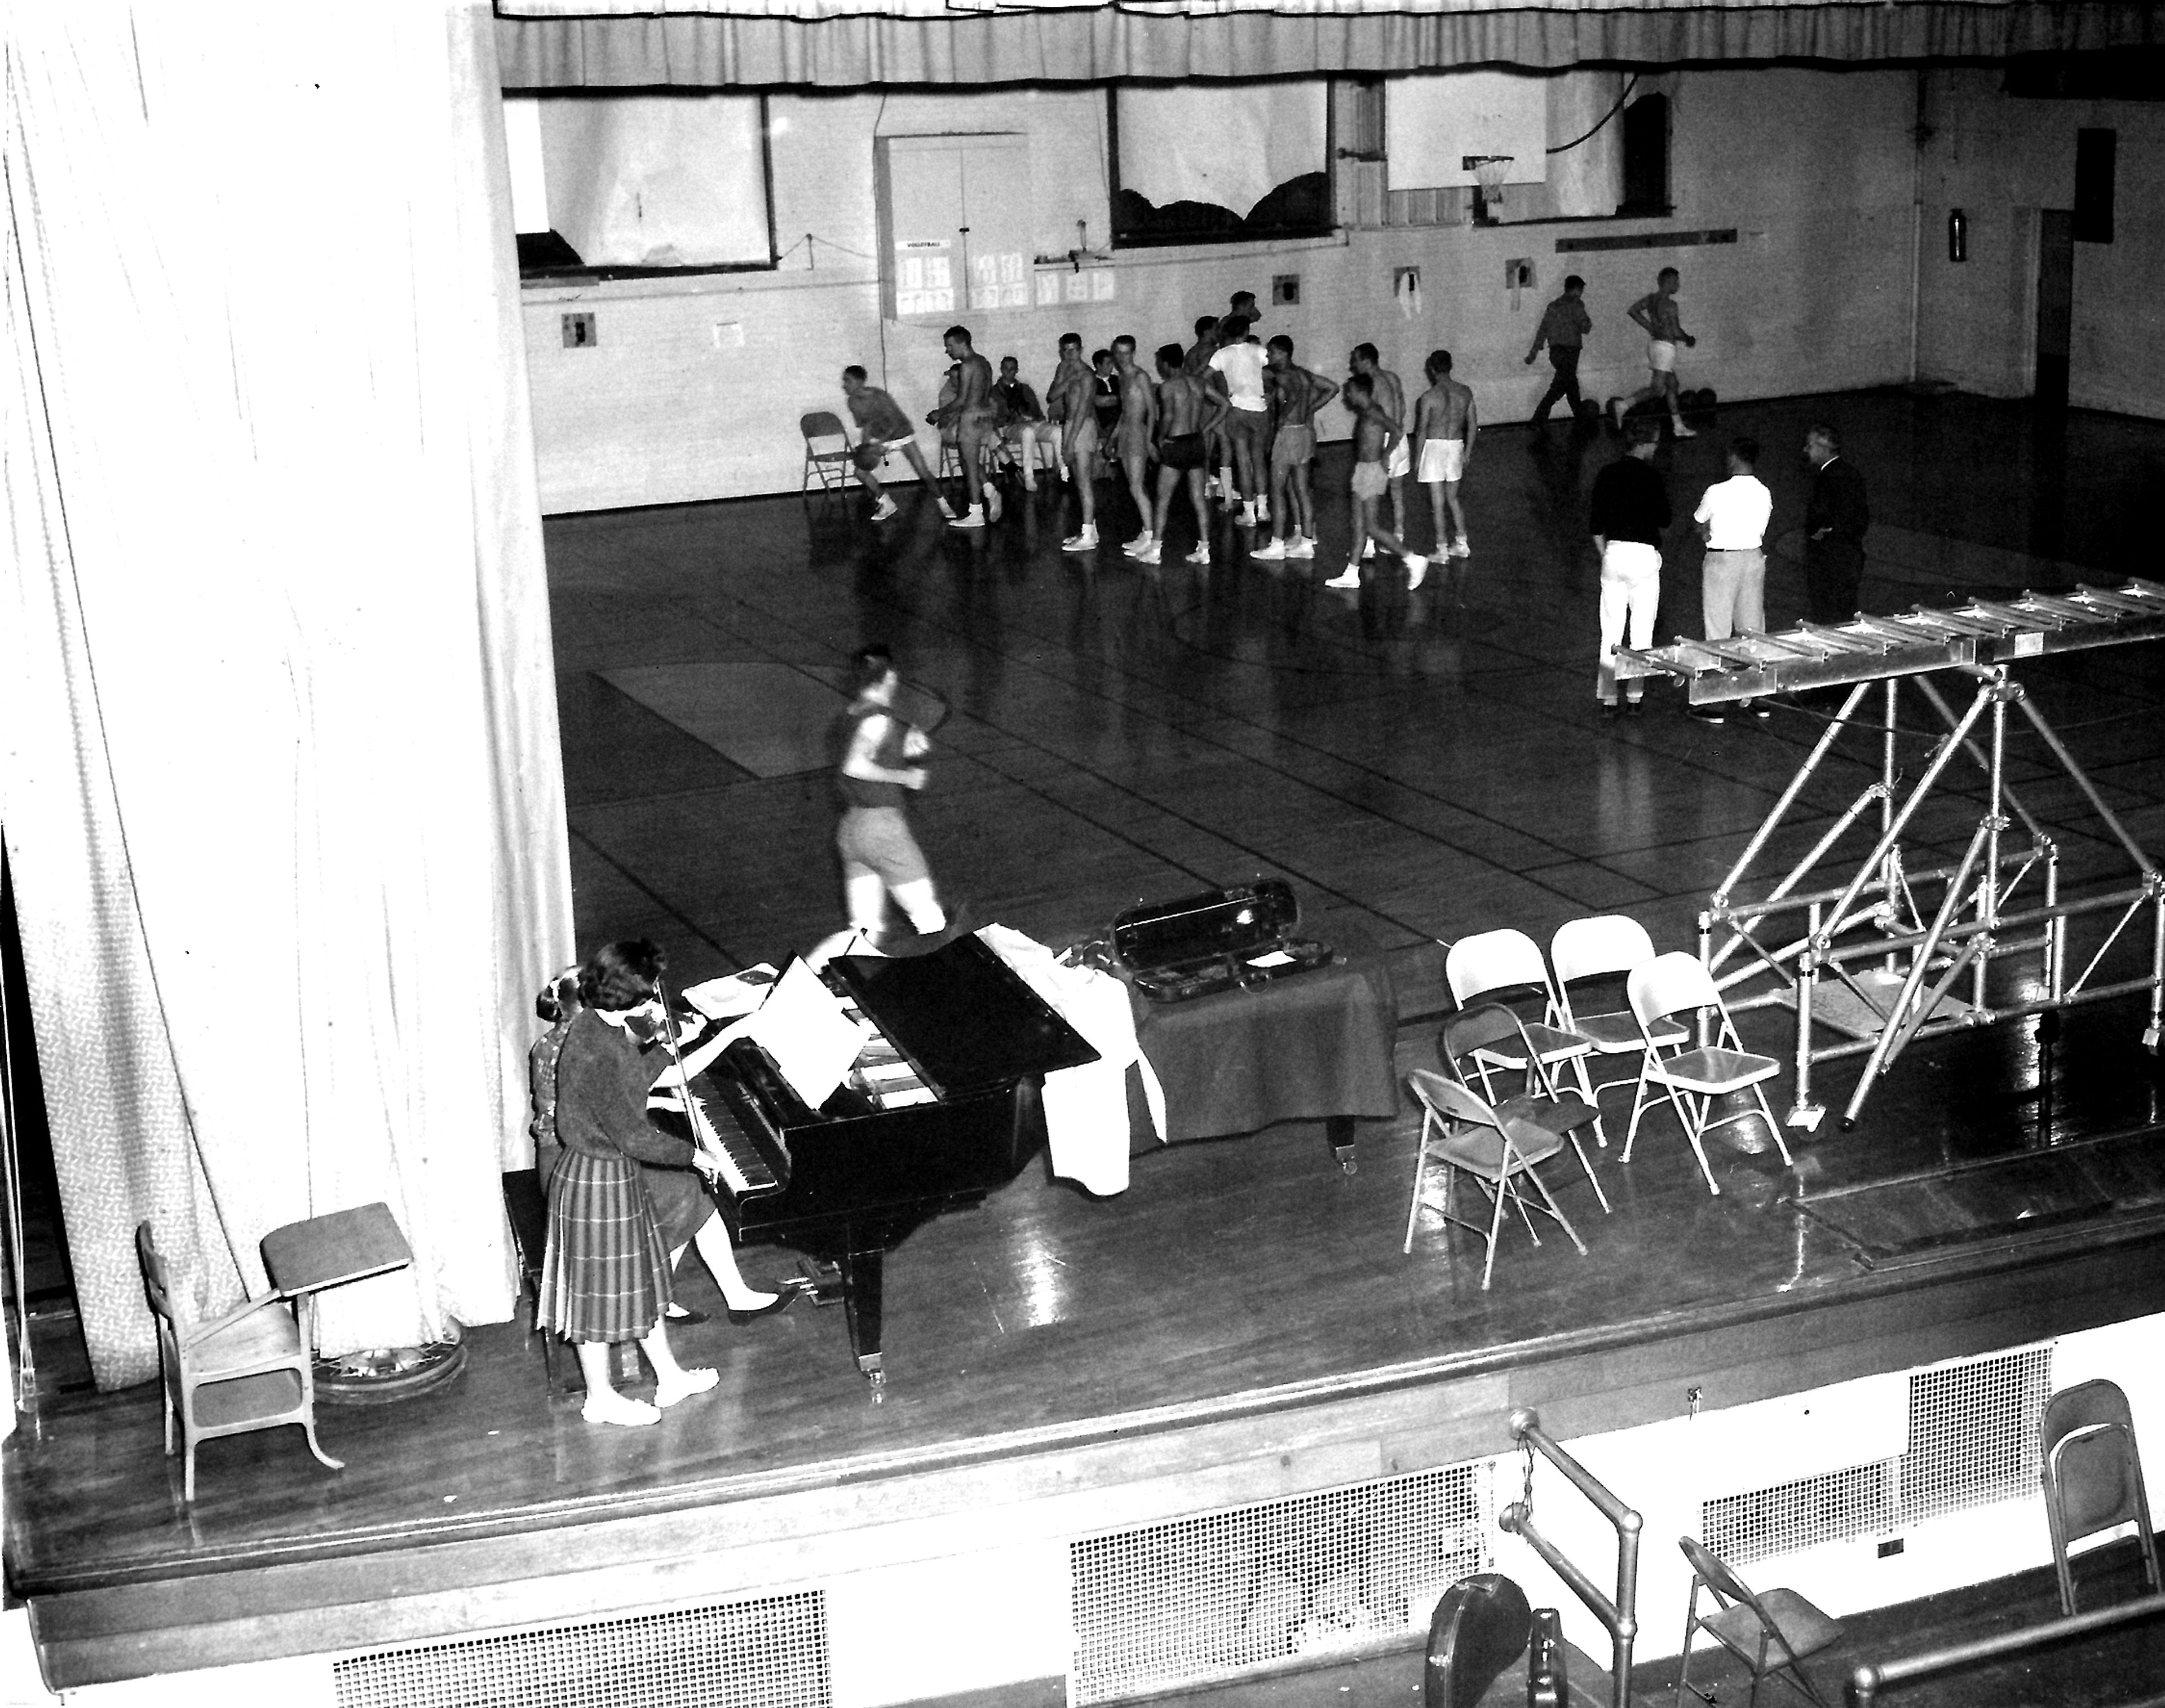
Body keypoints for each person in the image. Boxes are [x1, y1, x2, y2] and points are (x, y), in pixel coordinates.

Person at [531, 960, 783, 1335]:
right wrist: (729, 1034)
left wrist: (659, 1098)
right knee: (693, 1193)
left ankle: (661, 1294)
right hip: (582, 1171)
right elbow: (666, 1079)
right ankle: (733, 1297)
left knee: (681, 1195)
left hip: (560, 1159)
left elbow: (602, 1101)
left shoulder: (555, 1041)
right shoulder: (594, 1047)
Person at [540, 939, 730, 1428]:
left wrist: (664, 1051)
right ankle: (599, 1397)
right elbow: (634, 1134)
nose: (654, 1004)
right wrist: (694, 1155)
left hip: (613, 1174)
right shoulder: (595, 1051)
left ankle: (669, 1377)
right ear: (627, 1000)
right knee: (598, 1296)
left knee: (639, 1282)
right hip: (595, 1180)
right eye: (648, 997)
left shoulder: (596, 1025)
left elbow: (631, 1079)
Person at [825, 644, 952, 957]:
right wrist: (905, 777)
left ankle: (840, 986)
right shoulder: (878, 719)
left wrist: (901, 750)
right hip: (883, 830)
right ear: (891, 677)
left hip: (852, 829)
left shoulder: (849, 717)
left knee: (864, 931)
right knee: (930, 919)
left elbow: (858, 757)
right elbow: (856, 764)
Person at [1589, 417, 1672, 720]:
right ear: (1648, 442)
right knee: (1641, 633)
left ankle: (1609, 699)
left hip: (1614, 554)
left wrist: (1605, 555)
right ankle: (1635, 697)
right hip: (1644, 556)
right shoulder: (1652, 476)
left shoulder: (1607, 473)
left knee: (1610, 631)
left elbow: (1595, 525)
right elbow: (1665, 519)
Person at [1690, 436, 1774, 723]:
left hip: (1722, 560)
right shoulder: (1764, 492)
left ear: (1736, 458)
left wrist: (1704, 534)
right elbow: (1762, 528)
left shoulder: (1716, 491)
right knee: (1753, 628)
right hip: (1753, 559)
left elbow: (1700, 522)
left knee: (1718, 628)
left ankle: (1717, 702)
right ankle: (1757, 696)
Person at [1323, 375, 1428, 591]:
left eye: (1350, 391)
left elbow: (1398, 431)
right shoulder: (1366, 413)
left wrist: (1386, 456)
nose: (1348, 395)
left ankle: (1413, 559)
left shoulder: (1374, 412)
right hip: (1363, 470)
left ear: (1361, 391)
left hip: (1371, 472)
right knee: (1359, 525)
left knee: (1371, 526)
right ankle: (1352, 573)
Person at [1252, 336, 1337, 562]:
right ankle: (1307, 542)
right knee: (1301, 489)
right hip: (1304, 433)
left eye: (1271, 352)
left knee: (1277, 489)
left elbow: (1293, 396)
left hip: (1288, 434)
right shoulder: (1303, 374)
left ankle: (1277, 543)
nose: (1268, 357)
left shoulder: (1285, 376)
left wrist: (1282, 417)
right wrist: (1308, 409)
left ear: (1283, 353)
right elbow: (1332, 388)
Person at [1138, 342, 1225, 566]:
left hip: (1176, 444)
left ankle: (1155, 550)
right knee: (1198, 498)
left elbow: (1167, 416)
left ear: (1166, 364)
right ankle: (1204, 549)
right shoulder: (1198, 382)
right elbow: (1225, 404)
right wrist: (1205, 429)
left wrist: (1159, 438)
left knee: (1163, 498)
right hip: (1196, 442)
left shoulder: (1168, 387)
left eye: (1159, 363)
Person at [840, 367, 952, 523]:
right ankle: (886, 503)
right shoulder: (852, 402)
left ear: (860, 382)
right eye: (844, 380)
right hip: (879, 437)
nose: (844, 385)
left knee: (923, 471)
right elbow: (866, 426)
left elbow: (895, 424)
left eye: (848, 381)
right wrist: (867, 447)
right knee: (861, 472)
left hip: (901, 433)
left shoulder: (880, 397)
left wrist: (881, 443)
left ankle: (943, 504)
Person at [1609, 268, 1698, 439]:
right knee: (1657, 389)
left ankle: (1678, 426)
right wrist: (1688, 339)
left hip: (1656, 345)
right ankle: (1623, 405)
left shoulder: (1651, 299)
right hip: (1665, 348)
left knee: (1672, 385)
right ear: (1668, 281)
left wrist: (1651, 328)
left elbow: (1633, 310)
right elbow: (1676, 331)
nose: (1678, 285)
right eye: (1676, 281)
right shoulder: (1671, 305)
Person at [1411, 350, 1478, 560]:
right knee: (1453, 498)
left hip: (1434, 446)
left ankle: (1441, 550)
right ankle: (1462, 543)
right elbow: (1473, 424)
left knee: (1437, 502)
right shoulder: (1465, 392)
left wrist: (1418, 457)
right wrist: (1467, 452)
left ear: (1431, 369)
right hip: (1456, 444)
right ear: (1451, 366)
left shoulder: (1428, 397)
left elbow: (1422, 430)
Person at [1803, 422, 1870, 624]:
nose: (1806, 450)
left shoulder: (1828, 477)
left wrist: (1820, 533)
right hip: (1850, 556)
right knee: (1845, 609)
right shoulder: (1851, 472)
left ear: (1824, 448)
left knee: (1828, 612)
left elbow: (1820, 514)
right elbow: (1861, 516)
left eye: (1810, 445)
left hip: (1830, 560)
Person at [934, 325, 1001, 528]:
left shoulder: (967, 366)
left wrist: (940, 413)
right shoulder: (984, 362)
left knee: (970, 467)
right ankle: (990, 493)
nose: (948, 350)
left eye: (950, 346)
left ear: (963, 343)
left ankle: (976, 512)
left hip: (971, 418)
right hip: (983, 417)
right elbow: (986, 393)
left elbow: (962, 400)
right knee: (968, 461)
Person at [1207, 314, 1270, 527]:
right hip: (1259, 408)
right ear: (1246, 331)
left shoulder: (1222, 354)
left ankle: (1248, 512)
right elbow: (1271, 371)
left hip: (1237, 408)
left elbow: (1203, 377)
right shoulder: (1258, 350)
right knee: (1259, 460)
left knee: (1243, 461)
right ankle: (1263, 509)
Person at [1349, 345, 1409, 545]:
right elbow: (1402, 407)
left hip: (1385, 441)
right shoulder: (1392, 377)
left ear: (1367, 361)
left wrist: (1385, 450)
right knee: (1396, 493)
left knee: (1370, 495)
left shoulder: (1371, 384)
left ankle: (1368, 546)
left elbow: (1376, 417)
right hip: (1402, 441)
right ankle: (1398, 535)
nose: (1353, 365)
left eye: (1356, 360)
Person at [1049, 334, 1101, 551]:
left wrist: (1069, 443)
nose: (1070, 354)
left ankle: (1088, 534)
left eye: (1074, 350)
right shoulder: (1064, 369)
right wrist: (1067, 379)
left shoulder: (1088, 375)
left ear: (1081, 349)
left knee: (1084, 481)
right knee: (1079, 482)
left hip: (1083, 426)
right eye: (1066, 350)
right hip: (1070, 424)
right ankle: (1090, 530)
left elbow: (1082, 411)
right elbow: (1052, 395)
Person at [1110, 336, 1158, 557]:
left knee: (1137, 486)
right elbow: (1124, 412)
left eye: (1126, 353)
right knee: (1133, 485)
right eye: (1118, 353)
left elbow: (1152, 411)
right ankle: (1146, 532)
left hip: (1139, 432)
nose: (1121, 357)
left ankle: (1151, 536)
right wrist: (1113, 437)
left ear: (1133, 352)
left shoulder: (1141, 377)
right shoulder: (1122, 377)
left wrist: (1149, 442)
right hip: (1127, 433)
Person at [1525, 275, 1593, 426]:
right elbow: (1586, 327)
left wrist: (1533, 353)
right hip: (1571, 352)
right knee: (1561, 387)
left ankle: (1580, 418)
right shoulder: (1576, 305)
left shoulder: (1553, 306)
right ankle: (1538, 420)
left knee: (1569, 384)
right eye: (1581, 290)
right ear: (1576, 290)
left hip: (1556, 352)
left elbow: (1543, 330)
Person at [991, 356, 1046, 493]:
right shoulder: (993, 392)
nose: (1008, 372)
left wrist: (1029, 415)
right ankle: (1029, 476)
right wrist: (1011, 418)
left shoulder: (1025, 389)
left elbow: (1037, 410)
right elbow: (993, 416)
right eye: (1006, 368)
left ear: (1017, 370)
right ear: (1001, 369)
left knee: (1056, 432)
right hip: (1007, 427)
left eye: (1012, 369)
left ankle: (1065, 473)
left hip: (1029, 422)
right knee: (1028, 433)